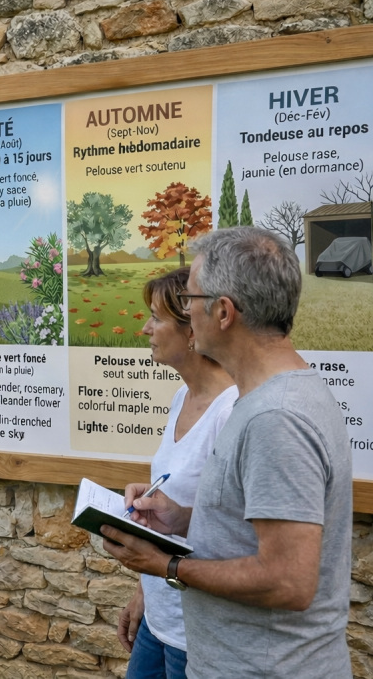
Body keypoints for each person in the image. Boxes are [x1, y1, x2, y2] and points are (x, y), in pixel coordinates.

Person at [101, 227, 352, 678]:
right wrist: (180, 518)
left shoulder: (275, 417)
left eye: (191, 298)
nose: (186, 313)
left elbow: (288, 581)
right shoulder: (275, 399)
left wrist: (168, 565)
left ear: (222, 312)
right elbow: (252, 528)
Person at [117, 266, 237, 679]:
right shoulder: (181, 396)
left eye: (156, 316)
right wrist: (143, 593)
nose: (146, 328)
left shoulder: (233, 412)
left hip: (197, 633)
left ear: (191, 329)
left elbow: (236, 530)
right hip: (159, 620)